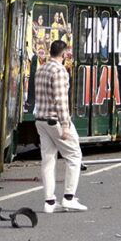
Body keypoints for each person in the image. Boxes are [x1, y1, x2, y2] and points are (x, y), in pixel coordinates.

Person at [33, 39, 86, 214]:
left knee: (48, 160)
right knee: (74, 156)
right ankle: (69, 198)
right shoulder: (60, 71)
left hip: (40, 120)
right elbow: (61, 101)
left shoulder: (41, 69)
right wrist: (65, 126)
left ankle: (49, 202)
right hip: (55, 121)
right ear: (63, 55)